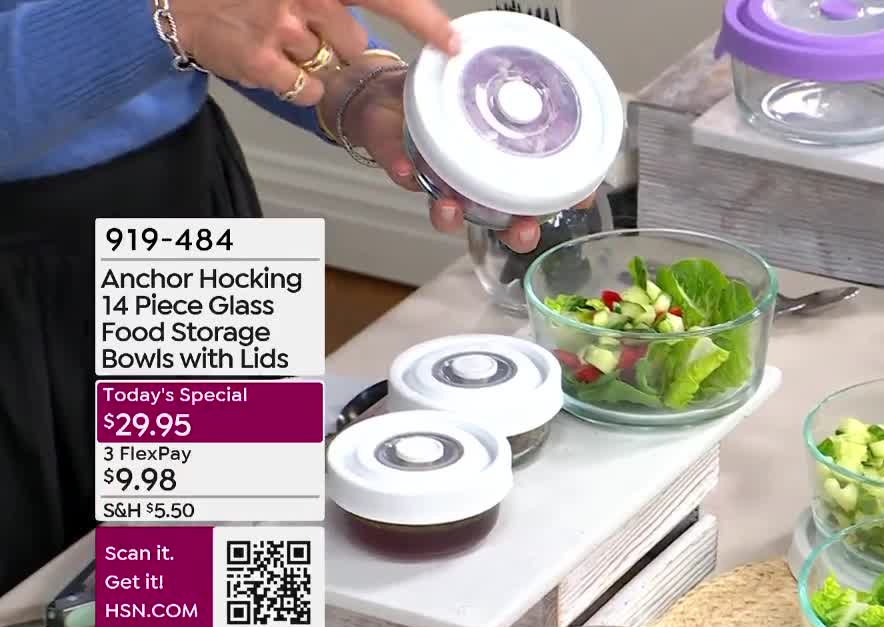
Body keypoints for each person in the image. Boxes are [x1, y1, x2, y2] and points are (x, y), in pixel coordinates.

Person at [0, 0, 594, 595]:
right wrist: (167, 19)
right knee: (30, 622)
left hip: (185, 198)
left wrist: (351, 86)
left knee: (217, 589)